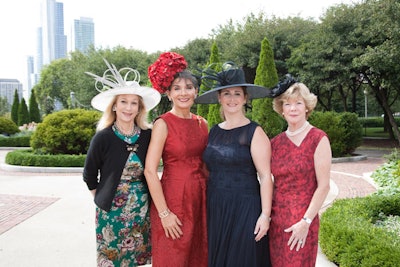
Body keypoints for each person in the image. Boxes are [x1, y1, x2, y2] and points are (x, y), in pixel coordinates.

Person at [83, 59, 161, 266]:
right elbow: (89, 175)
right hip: (111, 211)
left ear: (139, 108)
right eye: (123, 101)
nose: (128, 107)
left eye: (134, 102)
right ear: (115, 106)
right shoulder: (103, 137)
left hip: (142, 208)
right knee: (113, 259)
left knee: (137, 259)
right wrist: (103, 197)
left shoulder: (148, 135)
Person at [195, 62, 273, 267]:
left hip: (246, 206)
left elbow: (265, 176)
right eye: (226, 94)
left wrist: (265, 215)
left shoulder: (255, 132)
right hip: (216, 205)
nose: (232, 99)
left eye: (237, 93)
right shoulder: (213, 131)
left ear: (245, 98)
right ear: (219, 98)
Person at [144, 52, 209, 266]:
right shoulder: (163, 123)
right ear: (169, 94)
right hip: (173, 201)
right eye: (177, 88)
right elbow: (150, 171)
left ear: (196, 92)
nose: (184, 93)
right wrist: (164, 213)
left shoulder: (202, 123)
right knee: (173, 258)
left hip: (201, 200)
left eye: (189, 87)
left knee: (199, 258)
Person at [268, 75, 332, 267]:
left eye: (298, 103)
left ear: (307, 107)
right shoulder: (275, 143)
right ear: (281, 109)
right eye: (287, 104)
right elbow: (268, 182)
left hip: (303, 222)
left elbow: (324, 186)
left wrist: (306, 221)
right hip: (277, 223)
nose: (293, 108)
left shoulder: (318, 139)